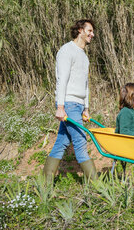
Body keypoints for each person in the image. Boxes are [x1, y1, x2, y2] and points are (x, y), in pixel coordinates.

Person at [43, 19, 97, 181]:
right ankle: (98, 188)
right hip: (69, 103)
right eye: (89, 31)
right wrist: (60, 106)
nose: (92, 35)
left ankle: (45, 184)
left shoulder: (83, 56)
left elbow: (85, 84)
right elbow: (62, 80)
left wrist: (86, 108)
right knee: (80, 142)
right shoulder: (67, 50)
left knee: (61, 143)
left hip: (78, 105)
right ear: (80, 30)